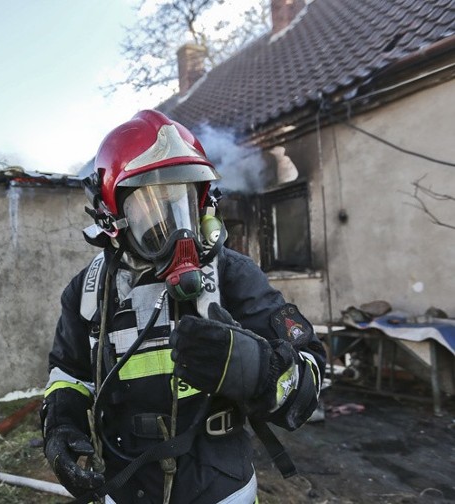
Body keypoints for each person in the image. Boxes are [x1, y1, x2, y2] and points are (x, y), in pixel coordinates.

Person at [41, 110, 326, 503]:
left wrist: (256, 368)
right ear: (114, 217)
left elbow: (309, 375)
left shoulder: (232, 275)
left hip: (223, 489)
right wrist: (61, 424)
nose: (179, 232)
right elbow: (69, 373)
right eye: (152, 210)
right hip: (126, 484)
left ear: (204, 204)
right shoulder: (89, 292)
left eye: (184, 203)